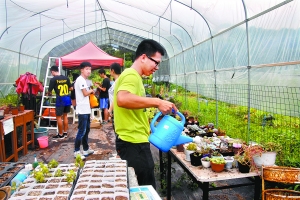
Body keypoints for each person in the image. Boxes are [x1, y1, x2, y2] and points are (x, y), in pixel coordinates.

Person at [114, 39, 177, 189]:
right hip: (133, 144)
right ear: (143, 57)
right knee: (145, 190)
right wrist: (157, 102)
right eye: (155, 62)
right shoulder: (132, 75)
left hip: (132, 141)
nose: (157, 67)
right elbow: (122, 99)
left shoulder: (134, 77)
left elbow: (128, 103)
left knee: (138, 189)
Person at [74, 61, 95, 159]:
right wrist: (91, 90)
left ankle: (86, 149)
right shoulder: (80, 80)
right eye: (87, 69)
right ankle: (77, 151)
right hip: (82, 110)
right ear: (81, 70)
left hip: (86, 109)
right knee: (82, 131)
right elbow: (85, 94)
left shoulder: (84, 80)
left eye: (90, 69)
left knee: (86, 130)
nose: (89, 71)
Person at [47, 66, 72, 139]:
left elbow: (49, 91)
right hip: (67, 98)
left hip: (60, 99)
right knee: (65, 116)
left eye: (51, 72)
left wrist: (49, 94)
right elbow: (70, 88)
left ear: (52, 71)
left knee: (58, 117)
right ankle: (65, 132)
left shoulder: (53, 79)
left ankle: (60, 134)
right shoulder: (66, 78)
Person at [107, 63, 122, 130]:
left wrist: (110, 110)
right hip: (115, 108)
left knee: (117, 129)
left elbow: (116, 96)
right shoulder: (116, 81)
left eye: (110, 70)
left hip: (116, 109)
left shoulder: (118, 81)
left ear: (113, 70)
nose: (109, 72)